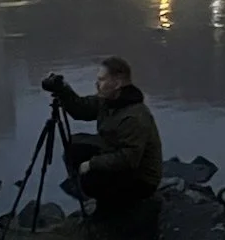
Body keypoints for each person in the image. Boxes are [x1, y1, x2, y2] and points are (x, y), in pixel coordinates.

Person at [41, 57, 163, 211]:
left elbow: (128, 159)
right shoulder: (108, 101)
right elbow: (81, 109)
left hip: (142, 179)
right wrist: (63, 90)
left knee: (90, 179)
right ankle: (100, 200)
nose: (97, 84)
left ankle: (113, 209)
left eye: (102, 80)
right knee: (74, 147)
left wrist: (92, 164)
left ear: (117, 83)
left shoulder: (134, 116)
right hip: (116, 155)